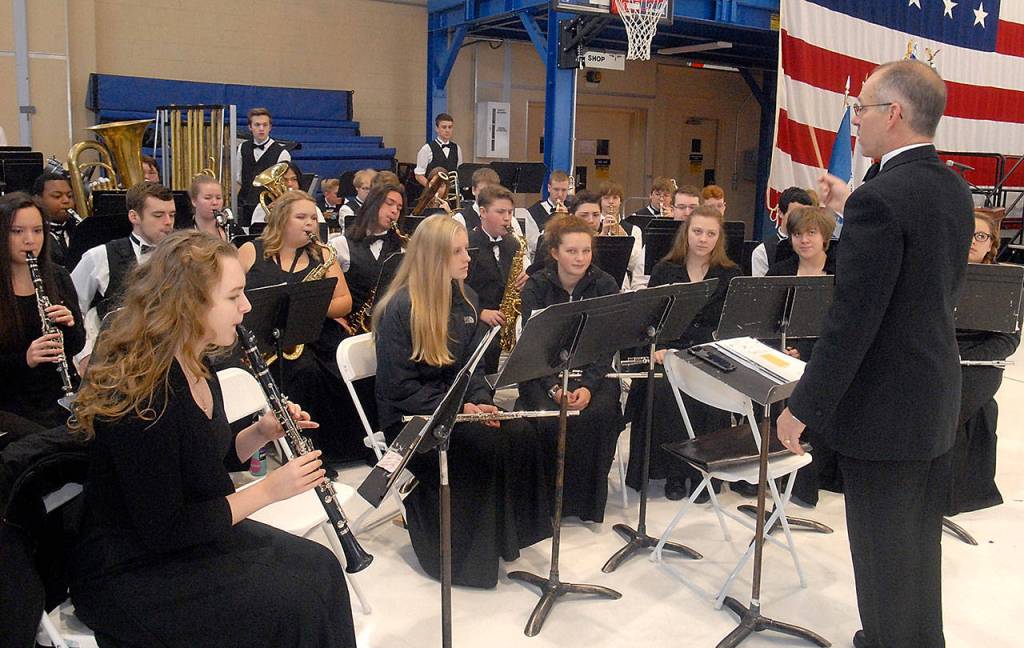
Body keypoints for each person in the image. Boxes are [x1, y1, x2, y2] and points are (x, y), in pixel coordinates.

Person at [68, 230, 356, 647]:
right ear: (189, 302)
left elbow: (207, 459)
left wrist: (260, 432)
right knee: (293, 600)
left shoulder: (196, 361)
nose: (247, 306)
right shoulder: (142, 396)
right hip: (131, 569)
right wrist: (269, 490)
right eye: (234, 295)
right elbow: (165, 527)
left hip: (188, 538)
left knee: (321, 567)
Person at [775, 60, 974, 648]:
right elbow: (912, 279)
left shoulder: (880, 201)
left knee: (883, 557)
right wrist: (851, 205)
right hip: (933, 395)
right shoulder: (952, 187)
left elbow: (853, 322)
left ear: (894, 114)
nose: (854, 117)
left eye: (860, 107)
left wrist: (801, 406)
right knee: (915, 552)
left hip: (886, 409)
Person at [372, 214, 551, 588]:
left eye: (465, 249)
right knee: (482, 446)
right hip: (413, 418)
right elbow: (398, 389)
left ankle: (505, 538)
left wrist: (480, 400)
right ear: (433, 257)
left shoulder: (466, 298)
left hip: (453, 407)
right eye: (456, 252)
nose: (467, 257)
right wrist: (460, 408)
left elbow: (470, 372)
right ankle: (466, 558)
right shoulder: (398, 309)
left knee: (520, 433)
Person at [625, 205, 741, 501]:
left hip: (710, 353)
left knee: (712, 389)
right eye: (697, 231)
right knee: (664, 390)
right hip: (671, 351)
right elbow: (651, 320)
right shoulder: (666, 269)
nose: (703, 239)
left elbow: (732, 326)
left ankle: (703, 472)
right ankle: (674, 472)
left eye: (710, 233)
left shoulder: (730, 273)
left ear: (719, 238)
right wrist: (658, 348)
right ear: (686, 233)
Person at [516, 214, 625, 522]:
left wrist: (588, 386)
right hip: (541, 374)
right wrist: (553, 387)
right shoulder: (536, 287)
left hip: (593, 374)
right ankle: (546, 502)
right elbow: (533, 346)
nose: (580, 258)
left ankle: (585, 503)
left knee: (600, 415)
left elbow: (606, 344)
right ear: (554, 253)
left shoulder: (604, 284)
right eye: (572, 251)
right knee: (548, 420)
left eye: (586, 251)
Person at [238, 191, 363, 461]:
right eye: (301, 217)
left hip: (309, 337)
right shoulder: (251, 251)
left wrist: (311, 304)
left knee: (318, 371)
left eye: (312, 218)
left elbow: (345, 302)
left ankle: (316, 450)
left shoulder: (323, 255)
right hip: (259, 337)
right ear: (282, 220)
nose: (310, 223)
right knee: (298, 371)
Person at [766, 206, 840, 507]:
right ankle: (771, 471)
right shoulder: (780, 271)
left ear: (825, 237)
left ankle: (803, 480)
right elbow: (763, 322)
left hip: (825, 361)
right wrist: (778, 349)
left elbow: (842, 330)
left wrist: (805, 353)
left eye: (811, 233)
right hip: (780, 358)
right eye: (797, 234)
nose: (804, 240)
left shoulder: (840, 274)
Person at [948, 210, 1020, 516]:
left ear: (991, 244)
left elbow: (1008, 341)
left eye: (981, 236)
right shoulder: (939, 276)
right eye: (968, 234)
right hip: (939, 357)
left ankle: (946, 496)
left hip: (981, 365)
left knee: (950, 408)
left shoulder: (1006, 282)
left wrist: (964, 357)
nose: (973, 242)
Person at [0, 193, 84, 430]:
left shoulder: (57, 276)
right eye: (17, 232)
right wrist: (25, 359)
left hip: (56, 395)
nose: (30, 240)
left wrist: (70, 325)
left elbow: (76, 345)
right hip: (11, 402)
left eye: (37, 231)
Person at [71, 182, 176, 362]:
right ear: (134, 217)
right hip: (115, 361)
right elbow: (73, 307)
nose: (168, 222)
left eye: (172, 215)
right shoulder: (100, 256)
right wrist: (84, 354)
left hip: (170, 356)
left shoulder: (181, 256)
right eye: (158, 215)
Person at [465, 184, 529, 374]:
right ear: (483, 212)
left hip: (501, 321)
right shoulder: (467, 243)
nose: (507, 218)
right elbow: (455, 288)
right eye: (500, 212)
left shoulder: (513, 244)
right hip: (473, 323)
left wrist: (525, 280)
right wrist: (480, 311)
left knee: (491, 375)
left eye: (510, 212)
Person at [332, 182, 407, 334]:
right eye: (389, 204)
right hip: (348, 332)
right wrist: (333, 316)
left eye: (399, 208)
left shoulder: (401, 249)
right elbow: (323, 289)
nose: (394, 211)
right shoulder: (340, 245)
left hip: (387, 330)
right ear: (372, 203)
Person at [569, 190, 647, 291]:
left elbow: (629, 276)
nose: (591, 220)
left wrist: (624, 241)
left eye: (596, 215)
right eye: (584, 215)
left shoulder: (612, 242)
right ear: (571, 217)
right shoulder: (564, 245)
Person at [236, 107, 292, 226]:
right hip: (244, 207)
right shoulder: (242, 148)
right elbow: (238, 181)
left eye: (265, 125)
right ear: (250, 127)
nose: (261, 129)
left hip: (268, 210)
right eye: (257, 125)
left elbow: (284, 188)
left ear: (270, 127)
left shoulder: (282, 153)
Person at [751, 186, 815, 277]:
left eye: (806, 214)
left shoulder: (816, 245)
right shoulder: (762, 252)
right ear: (780, 213)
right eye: (794, 214)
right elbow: (761, 289)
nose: (801, 219)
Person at [251, 161, 325, 226]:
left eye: (294, 179)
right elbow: (257, 235)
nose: (289, 184)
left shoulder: (311, 208)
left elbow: (322, 234)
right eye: (284, 180)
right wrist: (270, 218)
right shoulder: (262, 208)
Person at [31, 171, 80, 268]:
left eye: (70, 196)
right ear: (38, 200)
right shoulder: (32, 233)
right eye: (57, 196)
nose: (66, 201)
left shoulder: (78, 228)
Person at [525, 170, 571, 256]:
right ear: (549, 188)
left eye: (564, 190)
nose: (560, 194)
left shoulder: (573, 209)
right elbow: (532, 244)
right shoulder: (533, 211)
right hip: (543, 259)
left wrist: (568, 218)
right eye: (556, 189)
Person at [414, 113, 462, 188]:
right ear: (436, 128)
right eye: (444, 127)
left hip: (450, 193)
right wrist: (432, 187)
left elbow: (458, 172)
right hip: (432, 194)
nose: (447, 130)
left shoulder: (457, 148)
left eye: (450, 127)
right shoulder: (426, 149)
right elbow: (419, 175)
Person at [457, 166, 501, 232]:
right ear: (473, 190)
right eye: (483, 191)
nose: (487, 195)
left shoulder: (509, 220)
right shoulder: (460, 219)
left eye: (492, 191)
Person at [189, 174, 228, 241]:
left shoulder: (231, 228)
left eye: (218, 198)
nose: (215, 202)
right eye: (208, 198)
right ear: (194, 201)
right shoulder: (184, 232)